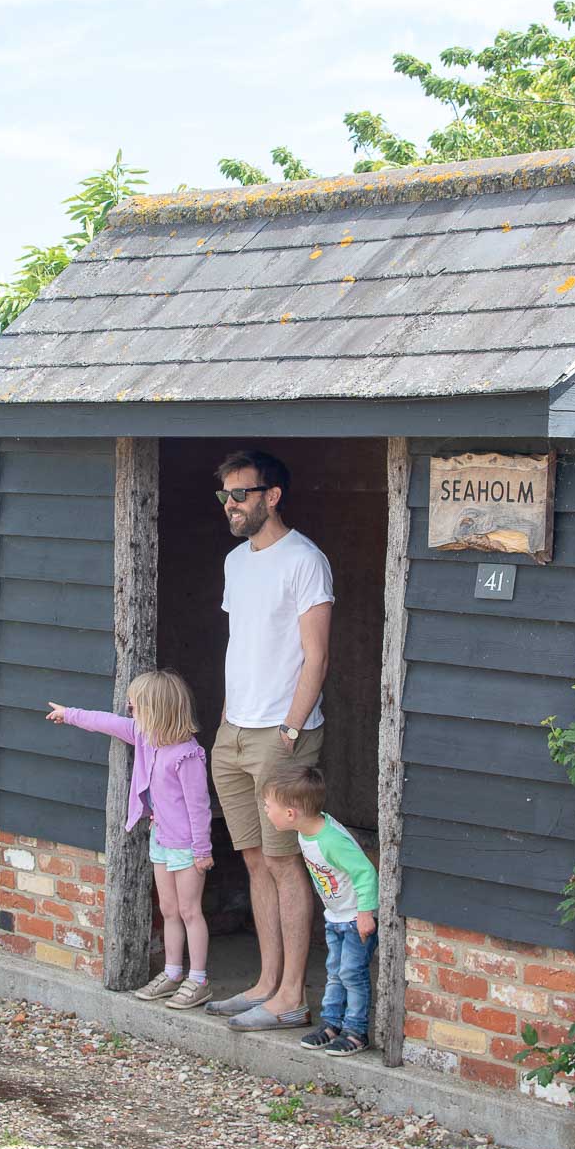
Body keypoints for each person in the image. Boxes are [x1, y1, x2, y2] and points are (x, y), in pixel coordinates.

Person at [207, 449, 334, 1032]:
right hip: (233, 733)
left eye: (241, 494)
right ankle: (264, 982)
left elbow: (316, 655)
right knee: (256, 860)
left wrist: (290, 727)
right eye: (225, 496)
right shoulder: (236, 561)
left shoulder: (305, 560)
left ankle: (291, 998)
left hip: (282, 736)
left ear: (272, 496)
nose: (230, 505)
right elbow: (246, 644)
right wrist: (227, 723)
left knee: (286, 865)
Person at [45, 669, 214, 1009]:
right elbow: (105, 722)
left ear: (156, 709)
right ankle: (172, 972)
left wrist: (202, 850)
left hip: (187, 846)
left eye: (135, 705)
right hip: (161, 840)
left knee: (189, 910)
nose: (129, 709)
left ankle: (199, 980)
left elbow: (200, 807)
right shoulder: (143, 736)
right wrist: (69, 714)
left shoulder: (187, 755)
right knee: (168, 909)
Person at [262, 765, 379, 1056]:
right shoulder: (306, 833)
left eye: (269, 806)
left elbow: (366, 872)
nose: (265, 810)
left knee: (352, 973)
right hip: (336, 917)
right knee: (335, 972)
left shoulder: (331, 840)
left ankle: (356, 1031)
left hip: (354, 918)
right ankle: (332, 1025)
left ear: (290, 814)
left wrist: (365, 913)